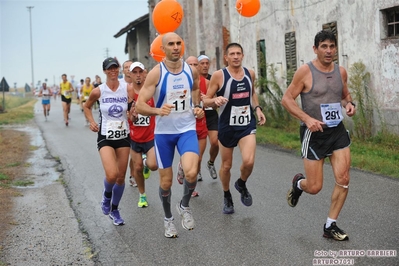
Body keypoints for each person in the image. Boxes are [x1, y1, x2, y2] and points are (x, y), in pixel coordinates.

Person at [281, 30, 356, 241]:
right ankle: (298, 184)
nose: (329, 50)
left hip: (337, 132)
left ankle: (330, 225)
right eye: (324, 46)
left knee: (344, 178)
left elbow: (345, 95)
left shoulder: (341, 72)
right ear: (315, 49)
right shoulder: (305, 72)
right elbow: (287, 99)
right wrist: (307, 119)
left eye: (332, 46)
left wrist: (349, 104)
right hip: (314, 135)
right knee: (314, 187)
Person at [136, 32, 204, 238]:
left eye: (178, 43)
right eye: (171, 44)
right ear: (163, 49)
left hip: (186, 129)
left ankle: (184, 205)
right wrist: (157, 111)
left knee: (192, 173)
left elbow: (195, 93)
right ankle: (168, 219)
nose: (175, 47)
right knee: (166, 183)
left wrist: (198, 107)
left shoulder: (191, 71)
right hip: (164, 133)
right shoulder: (156, 73)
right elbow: (139, 105)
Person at [203, 42, 266, 215]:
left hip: (246, 124)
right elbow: (206, 100)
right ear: (226, 57)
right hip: (227, 126)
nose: (236, 56)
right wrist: (214, 101)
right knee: (226, 165)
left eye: (239, 53)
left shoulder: (249, 73)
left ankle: (241, 183)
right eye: (232, 54)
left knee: (249, 161)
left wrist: (257, 109)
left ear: (243, 55)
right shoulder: (219, 76)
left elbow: (252, 93)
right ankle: (227, 195)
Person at [83, 57, 133, 226]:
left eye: (115, 68)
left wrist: (133, 113)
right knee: (111, 174)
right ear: (104, 71)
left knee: (120, 178)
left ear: (118, 69)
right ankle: (106, 196)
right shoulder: (99, 91)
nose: (113, 71)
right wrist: (91, 121)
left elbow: (134, 104)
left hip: (123, 135)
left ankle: (115, 209)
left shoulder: (127, 88)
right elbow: (86, 106)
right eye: (109, 68)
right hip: (105, 136)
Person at [176, 56, 209, 198]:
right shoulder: (179, 82)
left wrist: (207, 100)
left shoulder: (206, 82)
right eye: (191, 64)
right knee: (192, 159)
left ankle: (191, 184)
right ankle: (183, 169)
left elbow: (211, 102)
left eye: (196, 64)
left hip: (201, 125)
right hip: (185, 127)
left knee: (199, 158)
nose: (194, 66)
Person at [128, 62, 158, 207]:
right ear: (130, 75)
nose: (138, 75)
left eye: (141, 71)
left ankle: (147, 163)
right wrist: (132, 116)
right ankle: (142, 195)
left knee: (153, 165)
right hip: (134, 137)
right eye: (135, 72)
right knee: (137, 168)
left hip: (150, 136)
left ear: (145, 73)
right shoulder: (128, 92)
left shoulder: (151, 90)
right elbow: (129, 117)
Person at [198, 55, 219, 180]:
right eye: (202, 63)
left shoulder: (213, 79)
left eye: (207, 63)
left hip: (211, 115)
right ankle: (197, 169)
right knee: (198, 149)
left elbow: (217, 99)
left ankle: (211, 163)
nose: (205, 66)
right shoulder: (194, 81)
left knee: (215, 143)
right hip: (198, 117)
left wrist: (215, 102)